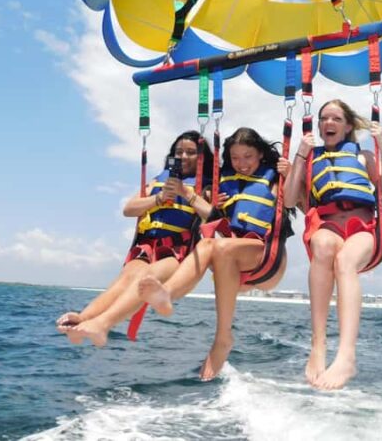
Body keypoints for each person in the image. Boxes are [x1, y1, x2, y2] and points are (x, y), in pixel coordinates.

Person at [138, 127, 292, 380]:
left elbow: (294, 201)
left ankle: (221, 336)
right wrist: (202, 200)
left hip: (267, 260)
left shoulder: (276, 179)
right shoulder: (223, 184)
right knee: (209, 244)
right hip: (233, 266)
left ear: (261, 155)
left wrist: (292, 173)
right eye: (235, 158)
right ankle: (165, 295)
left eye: (248, 156)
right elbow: (210, 217)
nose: (242, 163)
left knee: (213, 246)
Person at [55, 130, 215, 347]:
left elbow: (213, 216)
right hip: (147, 245)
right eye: (179, 152)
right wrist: (159, 198)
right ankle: (83, 319)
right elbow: (129, 209)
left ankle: (102, 324)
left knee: (147, 277)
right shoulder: (158, 181)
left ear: (201, 157)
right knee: (125, 278)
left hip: (177, 250)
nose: (184, 157)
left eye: (190, 152)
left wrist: (186, 193)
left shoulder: (206, 187)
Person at [283, 99, 382, 390]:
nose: (328, 123)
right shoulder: (311, 158)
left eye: (335, 118)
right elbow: (289, 199)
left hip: (363, 227)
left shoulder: (363, 156)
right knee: (322, 246)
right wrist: (300, 155)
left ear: (347, 126)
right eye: (323, 119)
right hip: (329, 225)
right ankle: (318, 345)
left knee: (345, 261)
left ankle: (347, 356)